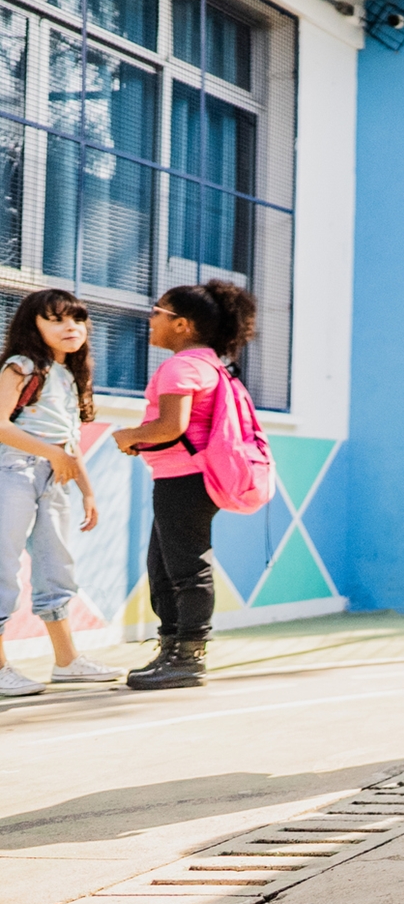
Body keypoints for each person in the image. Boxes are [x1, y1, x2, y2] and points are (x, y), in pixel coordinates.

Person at [110, 280, 258, 690]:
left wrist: (129, 436)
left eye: (158, 311)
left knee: (186, 568)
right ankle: (172, 649)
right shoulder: (208, 363)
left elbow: (169, 427)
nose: (151, 318)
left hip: (184, 480)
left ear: (182, 325)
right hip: (188, 477)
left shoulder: (181, 366)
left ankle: (188, 658)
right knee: (163, 567)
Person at [0, 290, 115, 696]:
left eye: (78, 320)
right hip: (13, 470)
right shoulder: (22, 367)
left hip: (56, 478)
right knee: (3, 568)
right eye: (56, 320)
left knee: (57, 569)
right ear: (34, 326)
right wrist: (52, 455)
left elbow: (70, 442)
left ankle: (67, 662)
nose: (71, 328)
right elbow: (0, 425)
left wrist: (88, 492)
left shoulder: (69, 374)